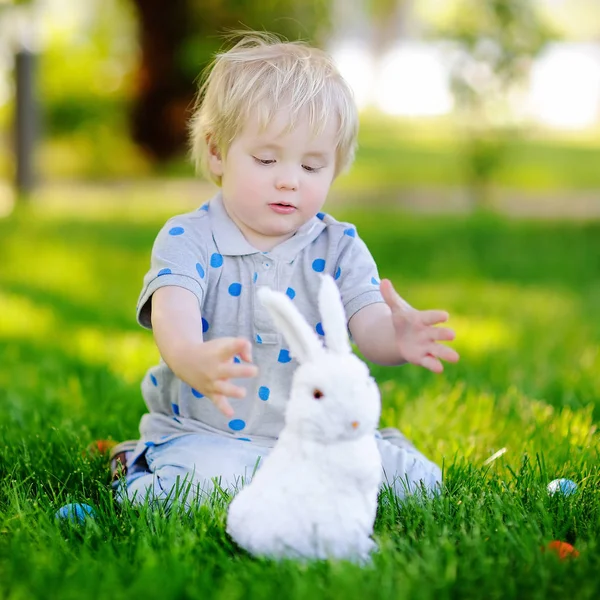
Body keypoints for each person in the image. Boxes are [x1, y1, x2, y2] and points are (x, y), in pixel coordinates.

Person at [111, 32, 459, 506]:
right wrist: (190, 356)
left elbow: (369, 325)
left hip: (316, 436)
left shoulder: (340, 247)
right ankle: (135, 464)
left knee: (422, 488)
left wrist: (398, 338)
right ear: (217, 151)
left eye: (313, 167)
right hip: (208, 435)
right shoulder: (187, 238)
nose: (289, 180)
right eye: (267, 159)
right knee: (193, 494)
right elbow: (175, 312)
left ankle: (377, 450)